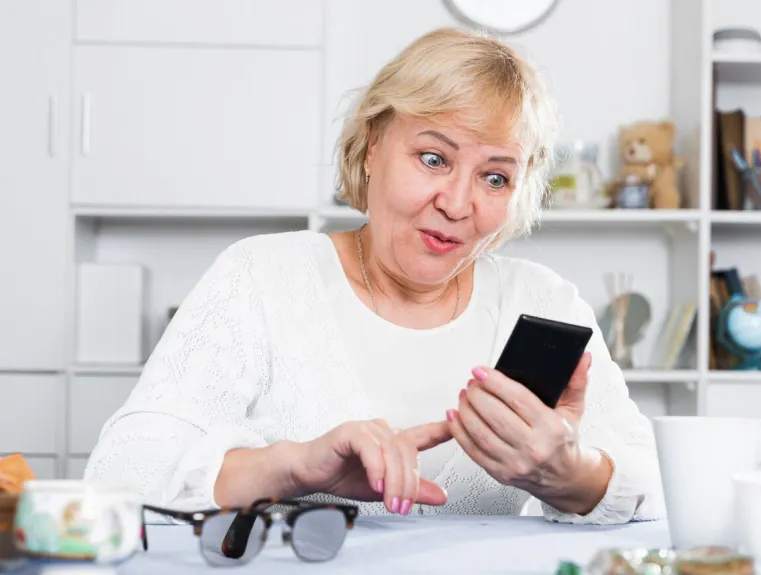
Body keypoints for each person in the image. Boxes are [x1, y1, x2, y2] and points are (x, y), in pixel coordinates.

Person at [84, 26, 665, 524]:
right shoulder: (261, 277)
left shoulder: (543, 300)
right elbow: (122, 471)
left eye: (495, 178)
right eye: (433, 159)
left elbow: (661, 492)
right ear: (370, 146)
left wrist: (572, 476)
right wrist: (291, 466)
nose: (458, 203)